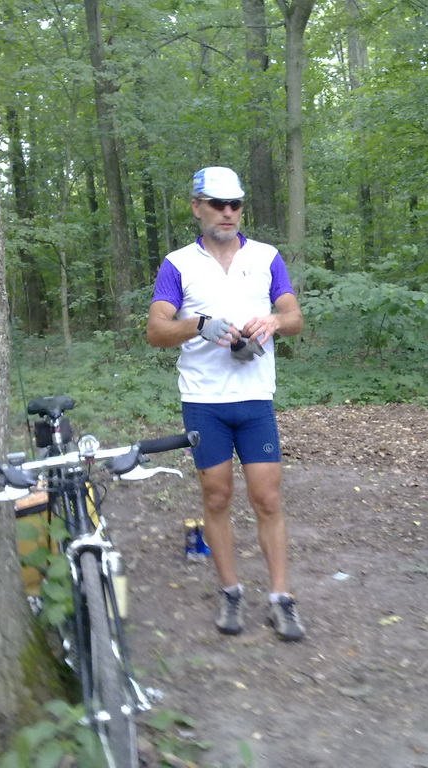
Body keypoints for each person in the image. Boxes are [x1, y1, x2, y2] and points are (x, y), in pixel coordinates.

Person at [146, 166, 306, 641]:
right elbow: (156, 331)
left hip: (255, 398)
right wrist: (199, 325)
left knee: (267, 498)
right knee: (216, 497)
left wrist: (273, 322)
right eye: (217, 204)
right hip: (204, 401)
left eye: (235, 204)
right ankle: (230, 590)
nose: (228, 212)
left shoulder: (266, 256)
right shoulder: (178, 264)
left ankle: (281, 598)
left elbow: (294, 316)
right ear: (197, 207)